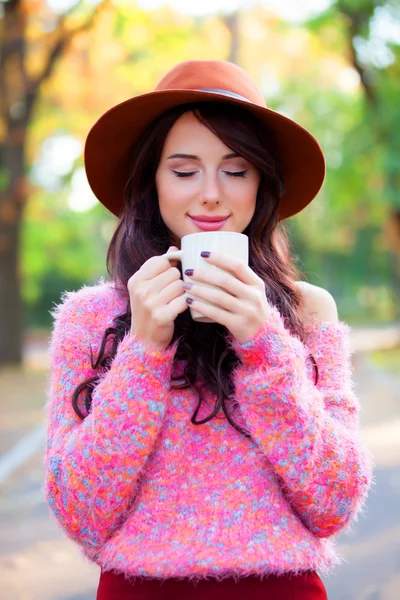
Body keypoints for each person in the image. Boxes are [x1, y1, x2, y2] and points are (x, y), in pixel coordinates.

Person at [44, 59, 374, 599]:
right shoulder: (92, 319)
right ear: (150, 181)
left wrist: (264, 349)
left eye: (236, 169)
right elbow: (82, 512)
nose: (211, 194)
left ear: (261, 182)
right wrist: (143, 351)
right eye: (183, 170)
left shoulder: (306, 311)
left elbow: (333, 501)